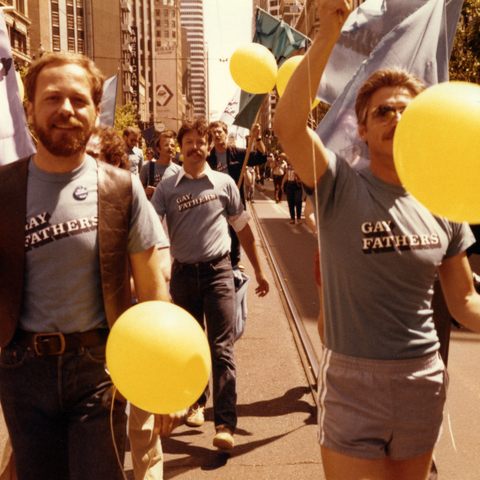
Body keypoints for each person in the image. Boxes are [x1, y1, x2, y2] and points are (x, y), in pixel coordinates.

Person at [274, 1, 480, 479]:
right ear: (361, 129)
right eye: (381, 111)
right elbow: (287, 127)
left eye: (405, 110)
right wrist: (328, 33)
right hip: (352, 383)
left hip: (422, 381)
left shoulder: (441, 200)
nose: (395, 117)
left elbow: (464, 300)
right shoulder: (338, 183)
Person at [0, 52, 179, 480]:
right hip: (21, 372)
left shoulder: (122, 189)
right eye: (52, 98)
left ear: (97, 112)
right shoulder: (3, 189)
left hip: (100, 372)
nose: (66, 109)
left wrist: (162, 383)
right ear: (29, 109)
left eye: (79, 100)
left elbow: (154, 295)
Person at [151, 117, 270, 451]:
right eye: (188, 142)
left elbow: (243, 228)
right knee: (188, 346)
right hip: (183, 276)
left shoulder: (224, 183)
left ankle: (225, 424)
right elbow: (148, 226)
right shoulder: (167, 187)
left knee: (222, 347)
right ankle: (196, 401)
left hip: (219, 273)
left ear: (208, 147)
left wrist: (259, 270)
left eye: (200, 142)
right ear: (180, 147)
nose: (194, 147)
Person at [207, 121, 267, 268]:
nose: (216, 135)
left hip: (234, 199)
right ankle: (218, 256)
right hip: (214, 199)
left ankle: (235, 258)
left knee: (236, 229)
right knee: (217, 228)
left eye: (219, 131)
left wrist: (257, 138)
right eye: (213, 133)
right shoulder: (208, 158)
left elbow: (261, 157)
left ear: (226, 133)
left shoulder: (238, 154)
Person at [140, 130, 181, 201]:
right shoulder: (148, 167)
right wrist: (145, 191)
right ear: (158, 149)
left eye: (172, 145)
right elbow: (137, 188)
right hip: (153, 209)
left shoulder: (179, 170)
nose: (170, 147)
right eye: (166, 145)